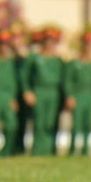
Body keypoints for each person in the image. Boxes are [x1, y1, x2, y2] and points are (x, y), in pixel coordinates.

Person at [19, 26, 65, 155]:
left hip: (54, 93)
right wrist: (27, 91)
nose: (50, 44)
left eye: (53, 41)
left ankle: (51, 150)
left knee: (51, 122)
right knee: (39, 122)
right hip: (39, 91)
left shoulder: (59, 60)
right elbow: (25, 76)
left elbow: (64, 80)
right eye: (47, 40)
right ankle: (38, 151)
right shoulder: (34, 58)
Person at [63, 31, 91, 156]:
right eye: (86, 44)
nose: (88, 47)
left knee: (87, 125)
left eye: (90, 44)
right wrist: (69, 96)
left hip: (90, 97)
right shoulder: (74, 64)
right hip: (78, 96)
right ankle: (72, 150)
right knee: (76, 125)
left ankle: (85, 150)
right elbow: (68, 81)